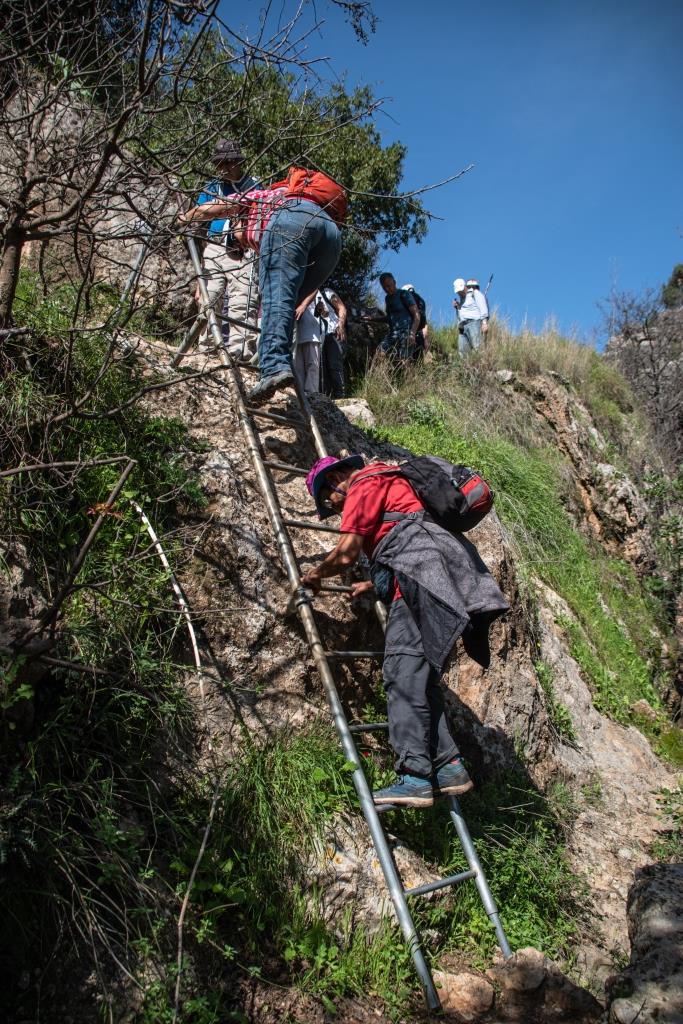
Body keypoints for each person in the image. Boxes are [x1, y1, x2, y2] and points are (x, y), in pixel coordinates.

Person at [301, 455, 510, 808]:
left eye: (328, 500)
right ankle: (448, 768)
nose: (333, 509)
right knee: (419, 679)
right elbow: (408, 537)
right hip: (435, 580)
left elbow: (347, 552)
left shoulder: (364, 484)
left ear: (337, 478)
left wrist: (315, 575)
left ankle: (413, 776)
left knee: (401, 672)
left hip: (422, 585)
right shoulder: (388, 479)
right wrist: (373, 585)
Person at [179, 170, 343, 406]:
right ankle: (278, 360)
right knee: (285, 304)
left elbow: (220, 205)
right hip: (330, 236)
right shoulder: (281, 195)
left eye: (237, 242)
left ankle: (274, 367)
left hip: (292, 223)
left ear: (239, 221)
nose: (243, 246)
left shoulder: (256, 199)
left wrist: (187, 216)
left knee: (275, 301)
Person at [181, 139, 259, 358]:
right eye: (219, 164)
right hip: (214, 245)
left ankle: (239, 352)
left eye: (227, 163)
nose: (223, 168)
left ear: (237, 162)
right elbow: (200, 219)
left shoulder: (254, 186)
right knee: (208, 298)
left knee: (242, 298)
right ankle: (207, 349)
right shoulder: (212, 187)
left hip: (243, 247)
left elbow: (251, 214)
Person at [378, 272, 421, 361]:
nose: (387, 289)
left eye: (389, 285)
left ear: (394, 282)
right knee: (380, 353)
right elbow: (390, 318)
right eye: (384, 287)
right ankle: (379, 374)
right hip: (393, 334)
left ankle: (411, 375)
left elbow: (416, 314)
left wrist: (412, 333)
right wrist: (372, 319)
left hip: (406, 332)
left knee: (404, 360)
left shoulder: (404, 294)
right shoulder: (387, 299)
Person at [317, 287, 348, 398]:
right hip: (319, 337)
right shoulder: (306, 294)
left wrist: (340, 325)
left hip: (333, 332)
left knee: (335, 367)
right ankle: (328, 399)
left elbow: (342, 308)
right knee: (322, 371)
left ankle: (341, 398)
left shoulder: (327, 292)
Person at [293, 291, 323, 395]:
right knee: (298, 367)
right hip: (297, 332)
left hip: (312, 333)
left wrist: (321, 309)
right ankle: (300, 393)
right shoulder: (297, 287)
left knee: (312, 365)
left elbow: (325, 312)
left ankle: (312, 392)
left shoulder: (316, 291)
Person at [453, 276, 489, 355]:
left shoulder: (475, 293)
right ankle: (466, 366)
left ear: (465, 287)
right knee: (463, 352)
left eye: (461, 291)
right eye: (458, 292)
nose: (459, 293)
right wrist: (458, 307)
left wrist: (484, 323)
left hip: (474, 323)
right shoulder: (461, 299)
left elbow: (483, 308)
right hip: (462, 327)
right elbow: (461, 316)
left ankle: (482, 365)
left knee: (478, 348)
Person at [401, 283, 429, 361]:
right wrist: (426, 340)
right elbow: (425, 324)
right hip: (419, 336)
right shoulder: (421, 302)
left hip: (408, 334)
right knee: (418, 362)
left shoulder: (406, 301)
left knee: (406, 360)